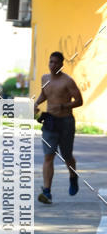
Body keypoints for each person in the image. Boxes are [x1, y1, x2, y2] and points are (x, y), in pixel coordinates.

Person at [34, 51, 83, 204]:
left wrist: (63, 106)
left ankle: (73, 177)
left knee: (67, 156)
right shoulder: (45, 78)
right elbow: (44, 94)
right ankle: (47, 191)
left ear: (62, 64)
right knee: (48, 156)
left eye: (56, 62)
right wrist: (36, 103)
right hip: (50, 122)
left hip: (66, 122)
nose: (53, 65)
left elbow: (79, 101)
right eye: (51, 62)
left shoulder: (68, 81)